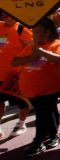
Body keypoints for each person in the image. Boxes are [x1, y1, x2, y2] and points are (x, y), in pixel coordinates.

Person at [17, 18, 60, 156]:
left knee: (41, 115)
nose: (34, 36)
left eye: (37, 32)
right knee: (48, 112)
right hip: (31, 91)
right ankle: (54, 135)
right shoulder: (32, 46)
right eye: (33, 33)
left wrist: (41, 52)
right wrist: (30, 57)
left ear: (47, 32)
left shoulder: (57, 44)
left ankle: (38, 142)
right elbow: (14, 61)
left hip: (48, 89)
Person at [0, 10, 33, 138]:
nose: (5, 16)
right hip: (0, 73)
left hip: (16, 74)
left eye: (9, 14)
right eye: (3, 14)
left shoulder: (21, 28)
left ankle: (21, 123)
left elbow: (31, 49)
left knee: (22, 101)